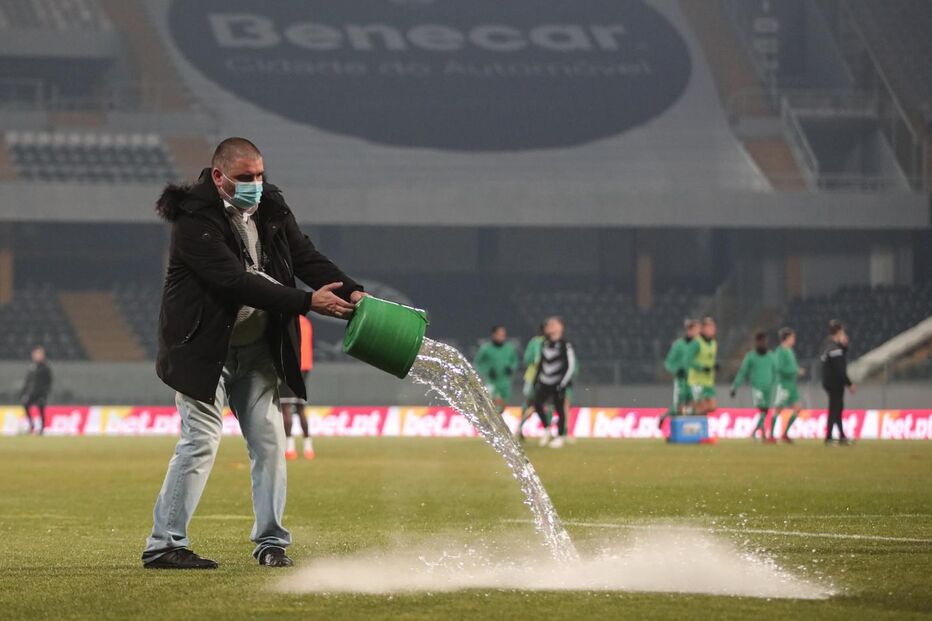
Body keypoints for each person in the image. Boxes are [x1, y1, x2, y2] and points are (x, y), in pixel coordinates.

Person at [143, 137, 366, 570]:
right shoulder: (193, 222)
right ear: (219, 177)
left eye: (260, 175)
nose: (256, 185)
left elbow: (304, 256)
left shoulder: (271, 209)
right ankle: (164, 544)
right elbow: (235, 282)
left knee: (270, 445)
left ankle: (270, 542)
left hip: (259, 350)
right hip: (204, 351)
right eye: (246, 178)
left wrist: (351, 287)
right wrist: (305, 302)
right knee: (200, 442)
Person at [532, 316, 577, 448]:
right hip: (545, 382)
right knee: (537, 404)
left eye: (554, 324)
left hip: (559, 383)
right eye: (549, 325)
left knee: (559, 408)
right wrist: (536, 379)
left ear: (561, 327)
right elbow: (541, 363)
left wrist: (563, 383)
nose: (550, 326)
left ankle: (560, 436)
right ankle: (547, 430)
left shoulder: (565, 345)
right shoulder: (544, 343)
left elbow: (570, 366)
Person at [730, 332, 777, 443]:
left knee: (765, 411)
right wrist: (734, 387)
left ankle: (762, 433)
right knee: (763, 410)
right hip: (757, 388)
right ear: (756, 343)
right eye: (760, 342)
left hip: (769, 388)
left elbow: (776, 372)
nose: (763, 344)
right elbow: (742, 372)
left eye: (764, 341)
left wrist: (776, 385)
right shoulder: (751, 356)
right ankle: (757, 431)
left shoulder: (771, 356)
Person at [282, 314, 314, 460]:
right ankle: (308, 448)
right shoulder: (306, 321)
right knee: (300, 408)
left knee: (286, 407)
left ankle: (290, 449)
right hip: (305, 367)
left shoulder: (287, 320)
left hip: (290, 365)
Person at [821, 319, 855, 446]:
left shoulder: (828, 344)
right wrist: (849, 383)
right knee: (835, 409)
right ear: (839, 331)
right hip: (834, 383)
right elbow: (840, 369)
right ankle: (829, 437)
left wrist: (844, 346)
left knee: (837, 409)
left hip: (828, 382)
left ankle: (841, 436)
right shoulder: (834, 348)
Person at [660, 319, 700, 428]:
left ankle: (690, 429)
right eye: (696, 329)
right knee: (680, 406)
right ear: (690, 330)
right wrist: (676, 370)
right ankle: (668, 420)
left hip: (693, 380)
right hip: (681, 380)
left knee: (694, 403)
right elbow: (668, 362)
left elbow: (698, 361)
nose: (698, 332)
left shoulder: (697, 345)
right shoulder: (678, 345)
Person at [473, 325, 519, 414]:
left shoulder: (509, 348)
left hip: (505, 382)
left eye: (503, 335)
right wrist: (487, 370)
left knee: (503, 405)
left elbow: (515, 361)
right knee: (492, 401)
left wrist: (511, 368)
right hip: (491, 381)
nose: (501, 337)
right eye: (499, 334)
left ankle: (497, 421)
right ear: (493, 335)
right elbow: (478, 363)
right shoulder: (486, 349)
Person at [772, 327, 806, 443]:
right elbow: (779, 368)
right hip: (783, 385)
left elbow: (791, 367)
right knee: (778, 410)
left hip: (792, 385)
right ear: (786, 338)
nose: (794, 339)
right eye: (792, 337)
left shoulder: (790, 351)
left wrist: (796, 370)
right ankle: (771, 435)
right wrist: (795, 371)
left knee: (798, 408)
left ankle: (785, 434)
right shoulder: (780, 351)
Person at [515, 324, 545, 441]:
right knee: (540, 404)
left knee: (528, 403)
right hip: (541, 379)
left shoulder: (533, 341)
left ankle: (520, 428)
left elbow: (527, 358)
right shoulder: (547, 342)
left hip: (530, 377)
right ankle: (549, 431)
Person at [687, 317, 719, 415]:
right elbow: (688, 360)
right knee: (699, 406)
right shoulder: (696, 343)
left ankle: (688, 412)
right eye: (710, 327)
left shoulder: (714, 343)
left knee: (712, 406)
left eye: (713, 328)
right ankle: (689, 417)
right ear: (703, 329)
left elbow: (709, 360)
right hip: (697, 381)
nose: (712, 330)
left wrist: (714, 366)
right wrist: (701, 368)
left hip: (708, 382)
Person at [20, 346, 52, 435]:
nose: (37, 356)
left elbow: (49, 382)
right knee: (25, 405)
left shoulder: (46, 367)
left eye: (39, 354)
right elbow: (27, 381)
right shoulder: (32, 367)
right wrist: (24, 392)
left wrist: (45, 394)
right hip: (31, 393)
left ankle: (42, 429)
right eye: (36, 354)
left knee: (41, 409)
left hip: (41, 393)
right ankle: (32, 425)